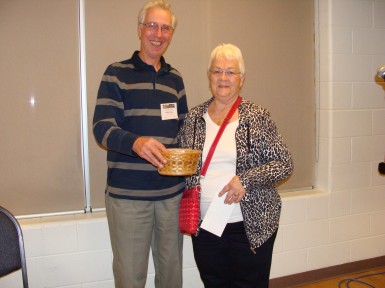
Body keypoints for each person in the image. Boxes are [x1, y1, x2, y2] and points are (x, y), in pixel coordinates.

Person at [178, 43, 293, 288]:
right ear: (209, 76)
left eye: (230, 72)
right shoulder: (193, 119)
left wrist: (245, 180)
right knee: (214, 282)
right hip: (206, 224)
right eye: (217, 71)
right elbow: (184, 165)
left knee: (249, 284)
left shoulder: (257, 116)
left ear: (242, 78)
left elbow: (284, 164)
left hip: (249, 224)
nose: (223, 78)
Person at [92, 1, 188, 287]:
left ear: (171, 34)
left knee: (171, 275)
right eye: (152, 25)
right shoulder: (116, 73)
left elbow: (183, 131)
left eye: (165, 28)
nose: (158, 33)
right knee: (131, 277)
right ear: (140, 29)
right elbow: (102, 129)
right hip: (129, 198)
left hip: (171, 194)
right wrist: (135, 143)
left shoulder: (176, 79)